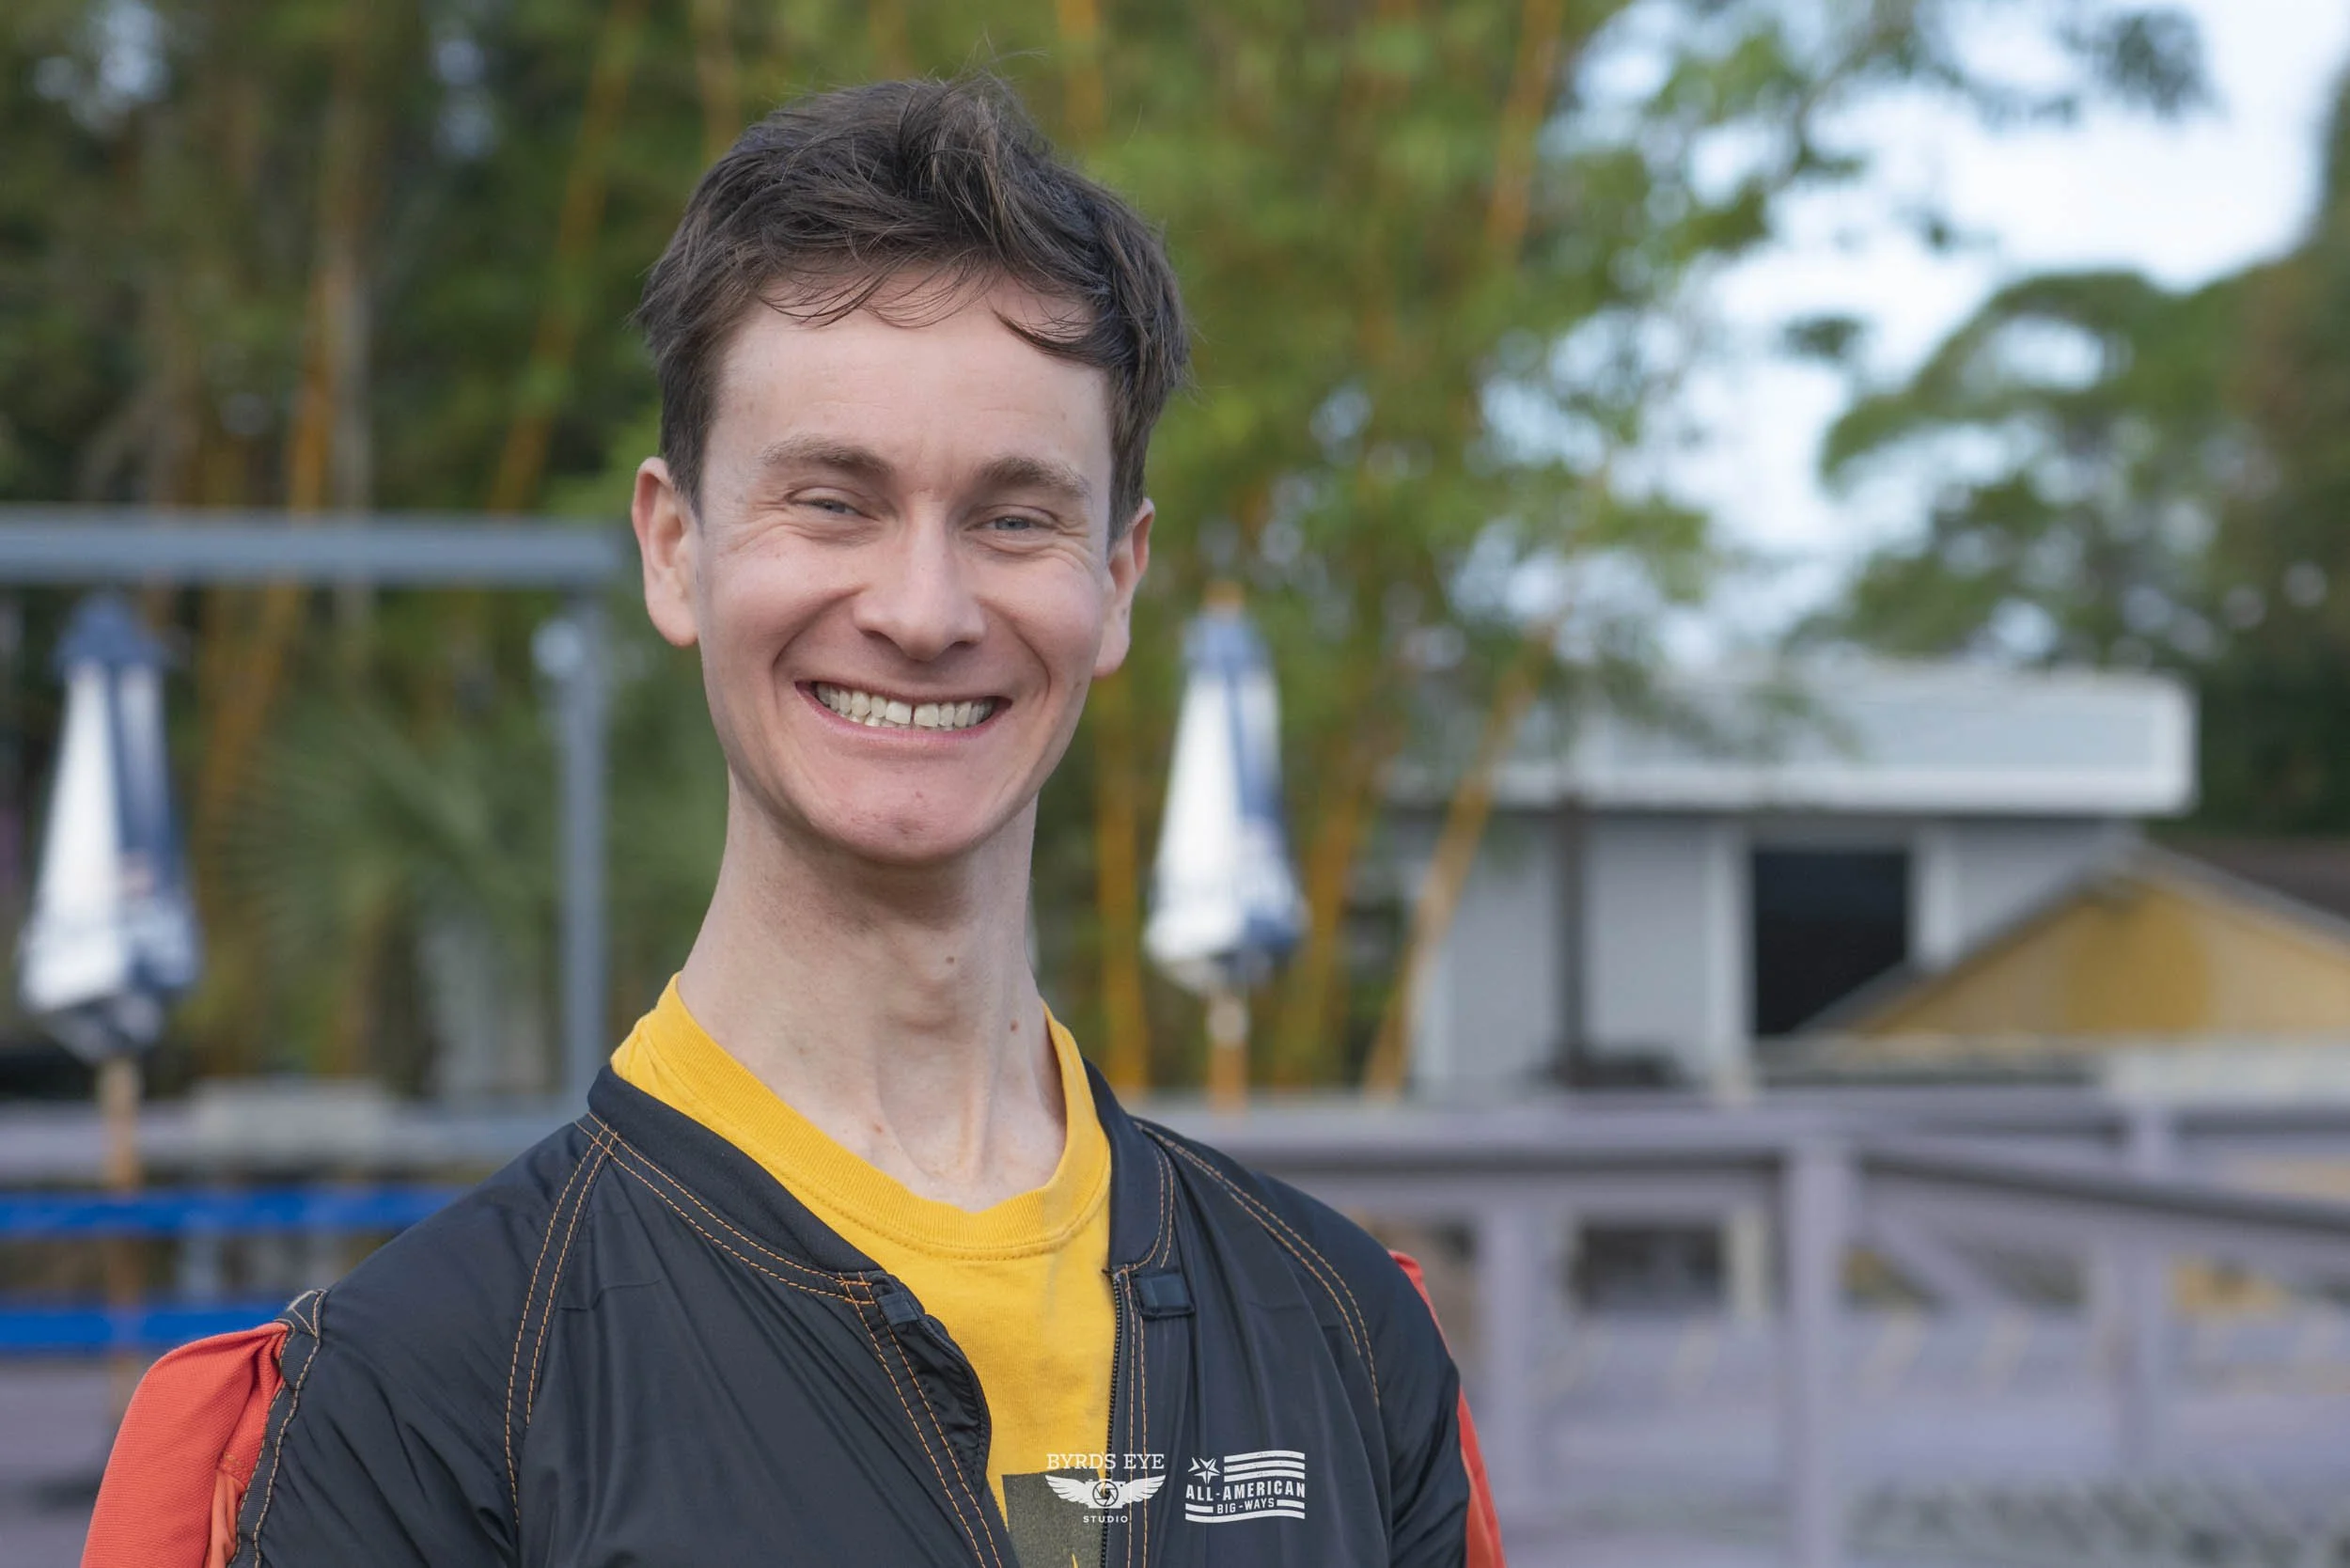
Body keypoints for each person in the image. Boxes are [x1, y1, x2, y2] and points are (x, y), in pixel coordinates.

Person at [88, 74, 1501, 1568]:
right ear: (673, 548)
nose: (923, 610)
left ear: (1117, 583)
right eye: (833, 502)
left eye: (1015, 518)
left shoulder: (1341, 1338)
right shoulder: (427, 1395)